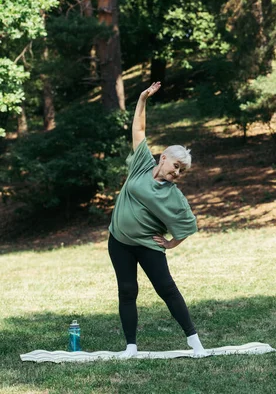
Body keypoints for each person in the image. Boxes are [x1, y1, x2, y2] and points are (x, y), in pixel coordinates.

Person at [108, 82, 208, 358]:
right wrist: (142, 99)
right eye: (176, 166)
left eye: (182, 171)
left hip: (148, 245)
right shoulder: (141, 164)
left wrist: (170, 243)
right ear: (163, 158)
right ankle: (130, 346)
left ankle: (194, 342)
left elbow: (188, 225)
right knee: (127, 290)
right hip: (118, 241)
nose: (177, 172)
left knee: (166, 289)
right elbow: (138, 130)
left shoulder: (174, 196)